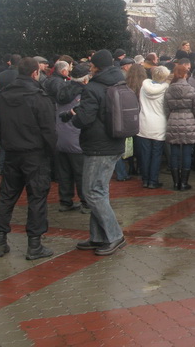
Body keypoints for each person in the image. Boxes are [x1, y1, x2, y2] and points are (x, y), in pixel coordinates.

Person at [0, 56, 57, 259]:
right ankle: (34, 245)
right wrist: (50, 151)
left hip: (12, 153)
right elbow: (49, 130)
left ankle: (0, 241)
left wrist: (8, 144)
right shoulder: (40, 97)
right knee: (37, 198)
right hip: (34, 154)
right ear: (35, 72)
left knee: (7, 196)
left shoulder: (3, 95)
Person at [70, 49, 127, 256]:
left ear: (95, 66)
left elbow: (84, 118)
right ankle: (97, 236)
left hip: (98, 146)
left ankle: (114, 236)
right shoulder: (119, 82)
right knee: (99, 192)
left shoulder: (93, 87)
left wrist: (74, 116)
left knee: (92, 192)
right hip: (115, 142)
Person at [55, 63, 91, 213]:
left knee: (64, 172)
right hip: (77, 138)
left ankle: (65, 201)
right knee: (81, 173)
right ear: (84, 79)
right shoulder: (84, 93)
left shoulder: (61, 89)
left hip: (60, 137)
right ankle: (85, 202)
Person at [164, 64, 195, 191]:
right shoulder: (191, 89)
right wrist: (191, 117)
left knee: (174, 153)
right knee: (187, 153)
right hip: (188, 120)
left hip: (173, 119)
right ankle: (184, 183)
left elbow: (166, 108)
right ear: (185, 74)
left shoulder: (169, 89)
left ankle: (175, 182)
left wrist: (171, 117)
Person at [137, 66, 170, 189]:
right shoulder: (166, 90)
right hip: (159, 124)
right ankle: (153, 180)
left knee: (145, 153)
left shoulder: (143, 88)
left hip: (144, 122)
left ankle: (145, 179)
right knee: (156, 154)